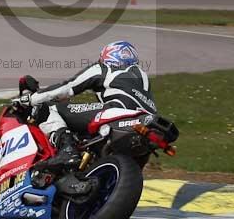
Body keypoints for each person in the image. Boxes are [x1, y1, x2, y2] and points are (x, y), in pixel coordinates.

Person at [15, 40, 156, 170]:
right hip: (145, 126)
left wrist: (32, 99)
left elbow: (67, 87)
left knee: (49, 108)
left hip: (118, 113)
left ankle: (67, 150)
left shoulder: (104, 68)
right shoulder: (141, 76)